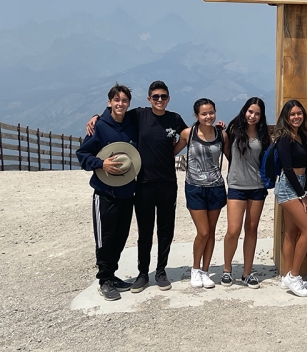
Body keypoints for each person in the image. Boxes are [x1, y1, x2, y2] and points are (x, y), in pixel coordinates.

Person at [87, 80, 188, 293]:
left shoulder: (175, 118)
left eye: (163, 96)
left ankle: (161, 271)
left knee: (165, 230)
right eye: (155, 96)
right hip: (142, 184)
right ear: (149, 98)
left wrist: (176, 149)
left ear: (168, 98)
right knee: (144, 231)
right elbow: (116, 114)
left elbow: (189, 133)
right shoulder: (139, 115)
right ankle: (142, 273)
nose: (159, 100)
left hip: (168, 183)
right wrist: (96, 117)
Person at [76, 83, 140, 301]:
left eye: (124, 100)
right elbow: (83, 154)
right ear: (109, 102)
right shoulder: (100, 127)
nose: (120, 104)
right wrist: (101, 164)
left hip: (127, 192)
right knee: (105, 238)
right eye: (116, 100)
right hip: (105, 193)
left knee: (121, 236)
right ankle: (104, 279)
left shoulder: (133, 123)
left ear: (128, 103)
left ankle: (112, 275)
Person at [174, 99, 227, 289]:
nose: (208, 116)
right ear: (196, 115)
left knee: (211, 231)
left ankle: (205, 270)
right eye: (204, 113)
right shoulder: (188, 134)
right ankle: (195, 268)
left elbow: (232, 155)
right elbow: (172, 151)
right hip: (194, 187)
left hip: (216, 187)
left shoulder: (222, 135)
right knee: (203, 231)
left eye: (211, 112)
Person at [220, 97, 271, 289]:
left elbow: (266, 157)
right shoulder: (233, 129)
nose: (253, 116)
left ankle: (247, 273)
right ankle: (226, 269)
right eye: (250, 112)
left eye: (257, 113)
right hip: (236, 186)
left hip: (257, 187)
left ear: (261, 115)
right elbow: (226, 150)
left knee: (251, 230)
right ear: (244, 111)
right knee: (233, 230)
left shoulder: (263, 133)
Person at [273, 100, 307, 297]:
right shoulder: (284, 137)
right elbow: (287, 168)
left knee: (291, 231)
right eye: (292, 114)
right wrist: (302, 194)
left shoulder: (302, 136)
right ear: (286, 117)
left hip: (300, 182)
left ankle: (287, 276)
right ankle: (294, 275)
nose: (296, 117)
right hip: (288, 187)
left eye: (299, 113)